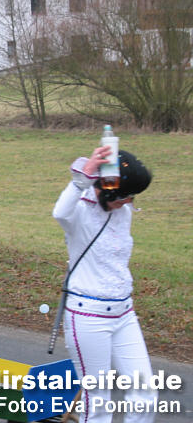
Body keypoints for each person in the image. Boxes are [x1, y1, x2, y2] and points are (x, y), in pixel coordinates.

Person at [52, 146, 154, 423]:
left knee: (145, 395)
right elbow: (60, 212)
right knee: (97, 403)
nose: (129, 202)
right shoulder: (79, 211)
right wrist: (82, 179)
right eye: (125, 196)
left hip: (124, 313)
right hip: (88, 316)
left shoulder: (123, 212)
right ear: (108, 191)